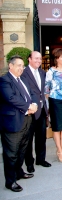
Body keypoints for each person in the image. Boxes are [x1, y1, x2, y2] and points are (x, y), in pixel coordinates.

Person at [0, 55, 38, 192]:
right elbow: (11, 98)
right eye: (18, 65)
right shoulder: (4, 80)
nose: (21, 68)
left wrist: (34, 103)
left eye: (23, 66)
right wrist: (29, 107)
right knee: (11, 154)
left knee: (22, 149)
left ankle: (19, 172)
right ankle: (10, 181)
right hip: (13, 122)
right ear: (10, 66)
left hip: (27, 120)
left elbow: (32, 93)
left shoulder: (23, 79)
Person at [21, 51, 51, 173]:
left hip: (42, 109)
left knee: (41, 137)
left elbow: (44, 91)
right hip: (29, 110)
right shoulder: (23, 72)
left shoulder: (43, 72)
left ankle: (41, 159)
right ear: (29, 59)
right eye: (36, 58)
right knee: (28, 139)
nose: (39, 61)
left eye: (40, 58)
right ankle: (29, 163)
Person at [44, 48, 62, 163]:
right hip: (55, 102)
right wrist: (51, 102)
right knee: (56, 127)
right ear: (57, 58)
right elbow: (46, 90)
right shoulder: (50, 71)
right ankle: (59, 150)